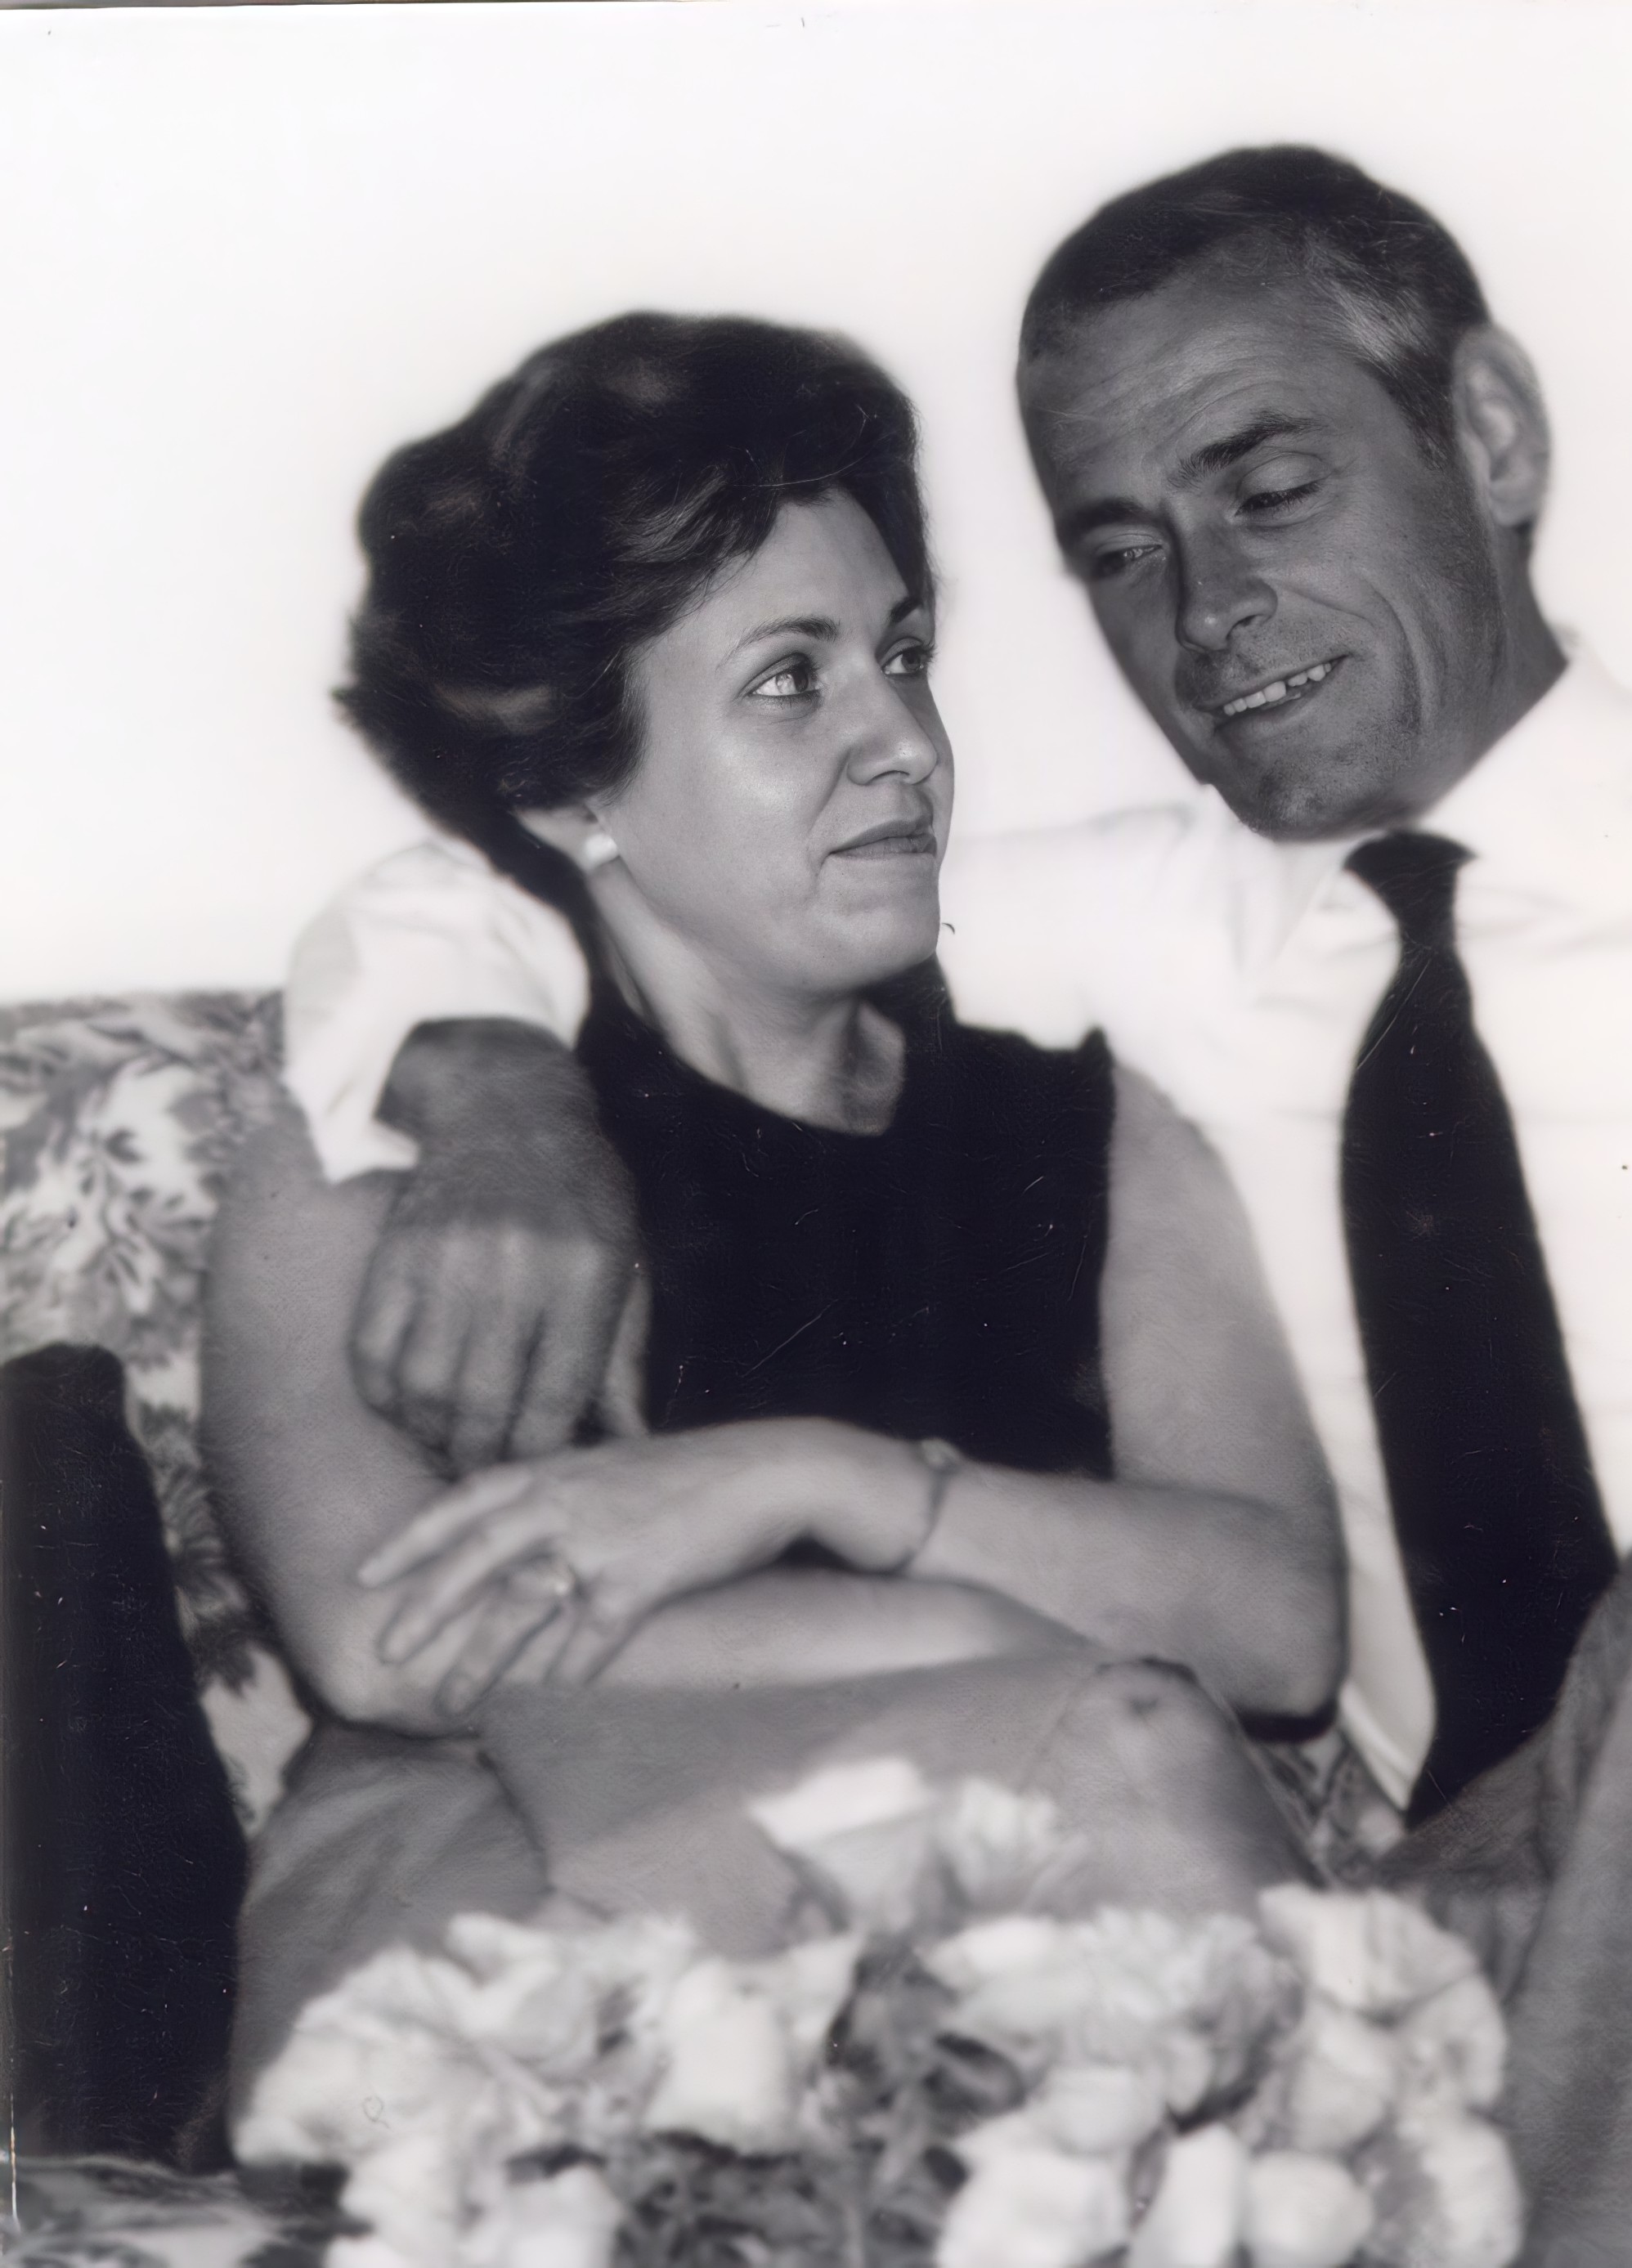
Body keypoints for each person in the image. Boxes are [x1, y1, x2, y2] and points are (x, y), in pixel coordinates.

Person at [275, 151, 1632, 2260]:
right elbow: (575, 863)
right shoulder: (1145, 939)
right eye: (1122, 554)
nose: (1205, 609)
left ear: (1489, 436)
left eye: (1269, 491)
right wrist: (495, 1086)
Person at [200, 310, 1345, 2111]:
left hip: (993, 1937)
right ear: (572, 782)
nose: (903, 741)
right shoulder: (423, 1153)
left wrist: (817, 1482)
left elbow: (1276, 1622)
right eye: (789, 682)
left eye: (902, 655)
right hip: (509, 1918)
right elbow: (388, 1639)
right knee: (1128, 1760)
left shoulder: (1090, 1132)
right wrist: (999, 1632)